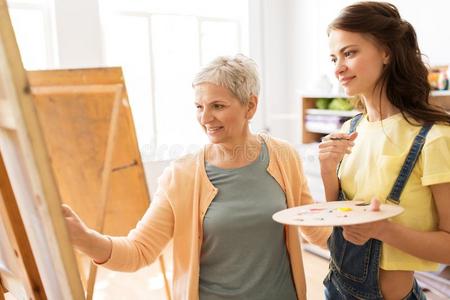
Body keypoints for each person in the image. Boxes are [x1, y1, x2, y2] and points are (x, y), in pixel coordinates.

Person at [63, 54, 331, 300]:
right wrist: (84, 238)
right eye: (199, 106)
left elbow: (311, 225)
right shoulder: (181, 175)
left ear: (250, 106)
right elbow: (138, 251)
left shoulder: (284, 156)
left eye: (217, 105)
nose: (205, 118)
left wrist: (361, 234)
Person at [319, 2, 450, 300]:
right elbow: (338, 224)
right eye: (333, 57)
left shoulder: (434, 138)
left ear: (387, 52)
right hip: (335, 288)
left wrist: (383, 230)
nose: (338, 67)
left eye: (349, 53)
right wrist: (328, 171)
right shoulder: (351, 130)